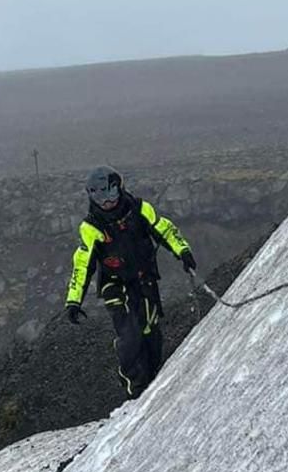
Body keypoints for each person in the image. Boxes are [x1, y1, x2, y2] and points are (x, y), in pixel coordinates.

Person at [64, 166, 196, 398]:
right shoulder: (91, 226)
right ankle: (135, 388)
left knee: (150, 332)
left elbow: (164, 229)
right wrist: (74, 301)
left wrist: (182, 251)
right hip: (114, 284)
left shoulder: (139, 209)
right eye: (99, 196)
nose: (106, 201)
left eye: (111, 193)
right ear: (91, 196)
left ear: (120, 188)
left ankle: (154, 380)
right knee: (130, 334)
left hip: (145, 280)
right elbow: (82, 263)